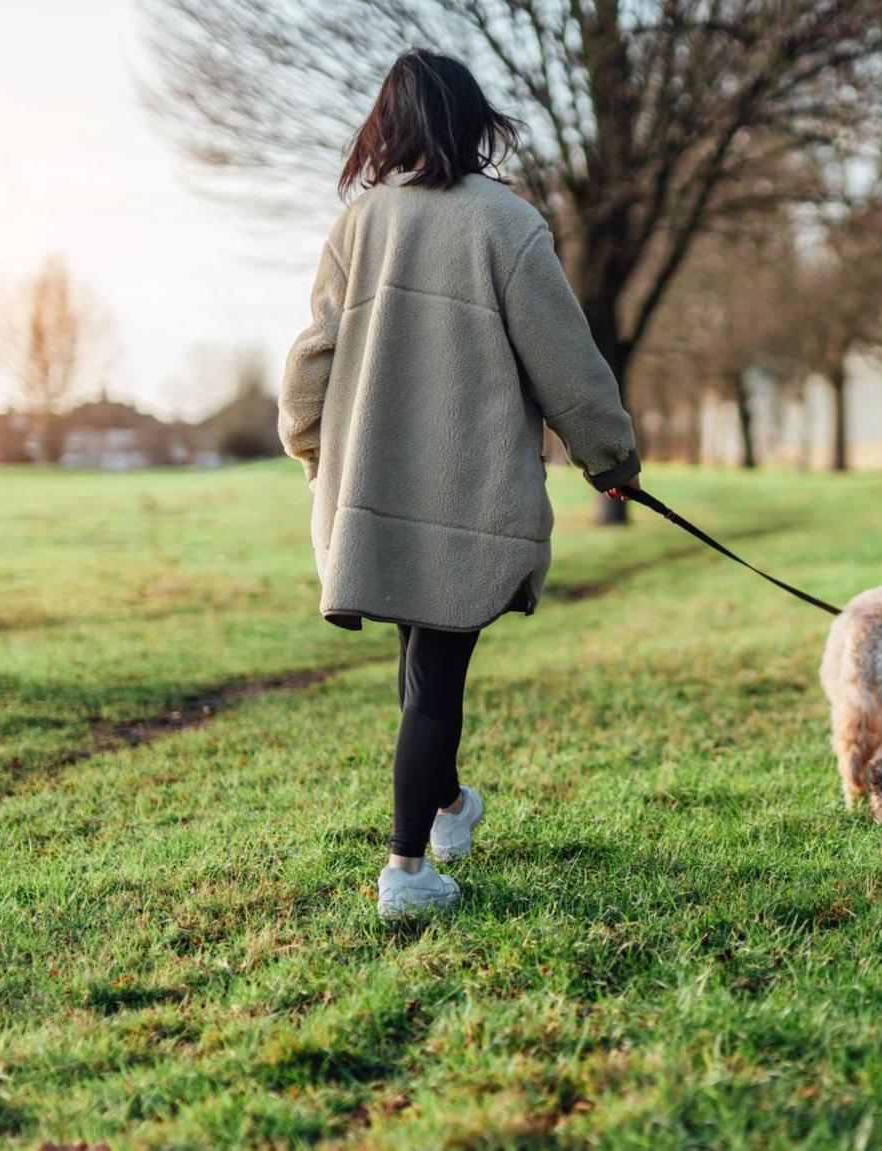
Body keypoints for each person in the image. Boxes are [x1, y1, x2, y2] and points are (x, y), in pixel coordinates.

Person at [277, 49, 640, 919]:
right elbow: (566, 359)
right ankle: (407, 871)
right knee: (435, 677)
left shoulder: (358, 225)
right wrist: (610, 456)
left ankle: (447, 809)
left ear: (389, 127)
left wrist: (309, 448)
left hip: (373, 490)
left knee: (420, 668)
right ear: (472, 121)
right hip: (467, 494)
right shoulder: (503, 223)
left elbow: (309, 361)